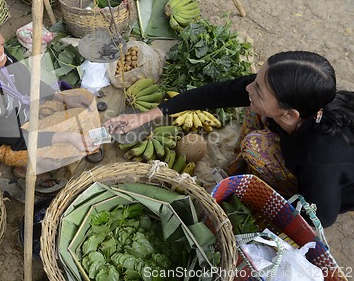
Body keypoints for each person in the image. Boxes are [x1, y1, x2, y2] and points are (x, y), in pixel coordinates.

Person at [105, 51, 354, 227]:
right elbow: (217, 94)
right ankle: (247, 169)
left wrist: (260, 210)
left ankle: (276, 185)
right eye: (256, 80)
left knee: (256, 146)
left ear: (290, 114)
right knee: (252, 109)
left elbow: (321, 217)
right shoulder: (301, 98)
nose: (249, 88)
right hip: (303, 146)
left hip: (334, 189)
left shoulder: (321, 158)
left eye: (259, 89)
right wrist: (146, 116)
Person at [0, 11, 100, 192]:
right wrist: (67, 137)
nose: (0, 51)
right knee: (63, 141)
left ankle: (58, 144)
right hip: (8, 143)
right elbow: (17, 139)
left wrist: (61, 97)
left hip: (20, 110)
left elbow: (26, 80)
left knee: (82, 99)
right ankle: (26, 168)